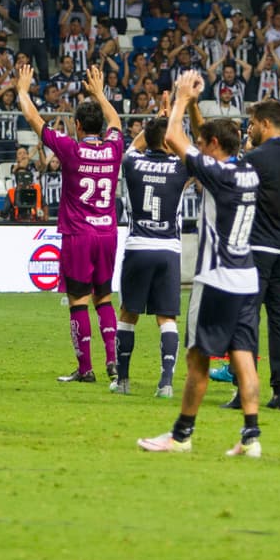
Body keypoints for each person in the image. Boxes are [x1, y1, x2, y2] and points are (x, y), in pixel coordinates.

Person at [138, 70, 265, 457]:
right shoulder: (246, 171)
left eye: (205, 144)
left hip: (217, 278)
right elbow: (201, 141)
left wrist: (179, 98)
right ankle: (251, 436)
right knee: (243, 355)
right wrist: (194, 107)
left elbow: (175, 139)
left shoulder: (218, 173)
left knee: (198, 359)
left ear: (213, 145)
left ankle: (180, 435)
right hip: (247, 277)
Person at [18, 65, 124, 384]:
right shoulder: (113, 147)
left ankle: (85, 369)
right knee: (104, 298)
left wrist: (23, 90)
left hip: (79, 234)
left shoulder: (71, 149)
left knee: (78, 300)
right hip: (107, 233)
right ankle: (113, 362)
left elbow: (35, 121)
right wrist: (100, 94)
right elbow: (117, 122)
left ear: (77, 125)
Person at [229, 98, 280, 410]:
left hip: (258, 247)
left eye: (254, 124)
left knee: (246, 319)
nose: (251, 129)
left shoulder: (254, 159)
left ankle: (244, 391)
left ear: (266, 124)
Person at [112, 113, 188, 397]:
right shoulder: (181, 167)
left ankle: (122, 381)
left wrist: (156, 122)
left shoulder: (131, 161)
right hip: (168, 249)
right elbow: (188, 150)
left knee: (128, 314)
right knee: (167, 317)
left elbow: (135, 143)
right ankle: (166, 383)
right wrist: (173, 127)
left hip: (138, 247)